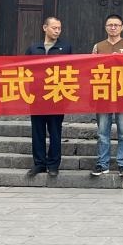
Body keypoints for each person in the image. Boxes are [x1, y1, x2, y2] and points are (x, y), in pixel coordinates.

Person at [24, 16, 72, 178]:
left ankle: (53, 164)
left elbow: (72, 69)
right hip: (37, 96)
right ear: (45, 28)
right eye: (54, 28)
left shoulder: (65, 47)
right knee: (37, 131)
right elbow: (21, 67)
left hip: (57, 95)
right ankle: (39, 163)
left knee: (55, 131)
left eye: (59, 28)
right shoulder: (33, 48)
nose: (57, 31)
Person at [91, 13, 123, 177]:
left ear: (122, 27)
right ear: (105, 27)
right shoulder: (98, 46)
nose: (113, 28)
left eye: (116, 25)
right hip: (103, 93)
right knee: (102, 132)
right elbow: (91, 68)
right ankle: (102, 164)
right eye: (110, 25)